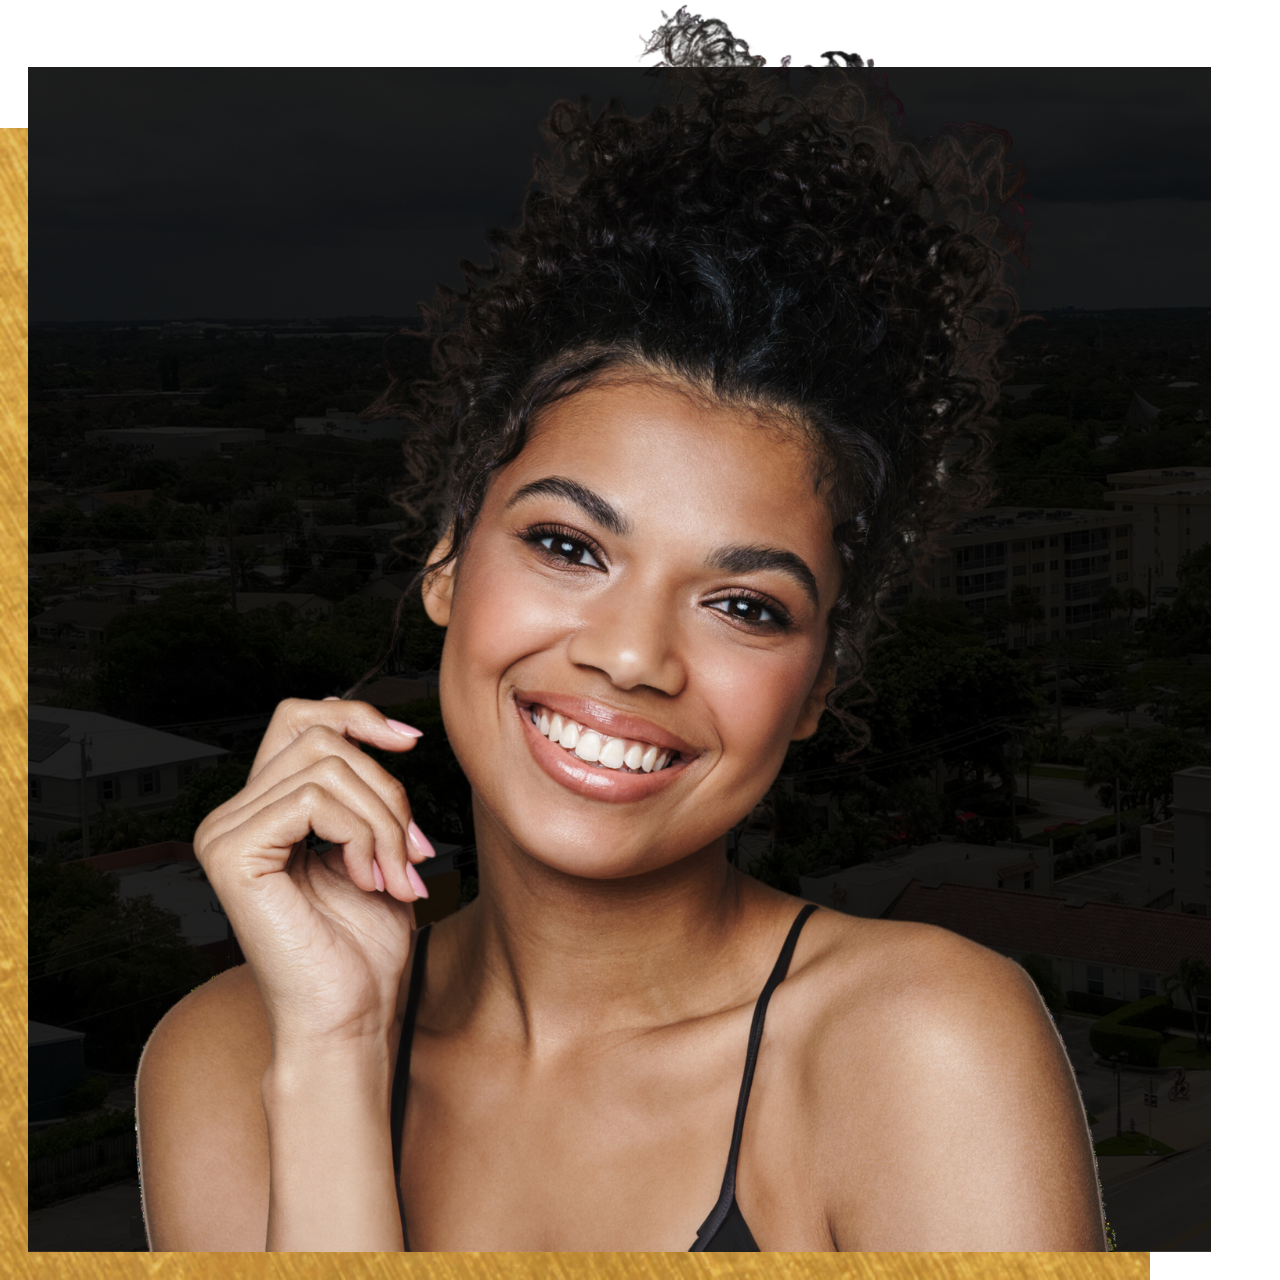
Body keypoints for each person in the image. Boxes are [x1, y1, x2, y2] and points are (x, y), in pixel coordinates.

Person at [136, 18, 1107, 1251]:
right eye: (567, 545)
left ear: (820, 680)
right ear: (446, 554)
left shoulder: (917, 1041)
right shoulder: (231, 1053)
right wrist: (331, 1051)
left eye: (745, 605)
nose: (634, 655)